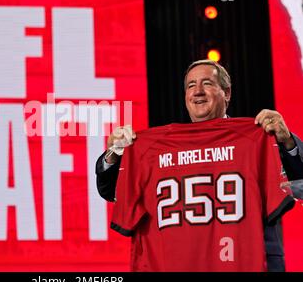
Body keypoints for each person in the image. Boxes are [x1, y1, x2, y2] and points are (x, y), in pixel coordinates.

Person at [96, 59, 303, 271]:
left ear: (227, 93)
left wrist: (287, 141)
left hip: (249, 261)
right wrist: (114, 154)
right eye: (191, 85)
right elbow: (111, 191)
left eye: (207, 83)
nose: (198, 91)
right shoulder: (154, 147)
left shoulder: (257, 138)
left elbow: (300, 184)